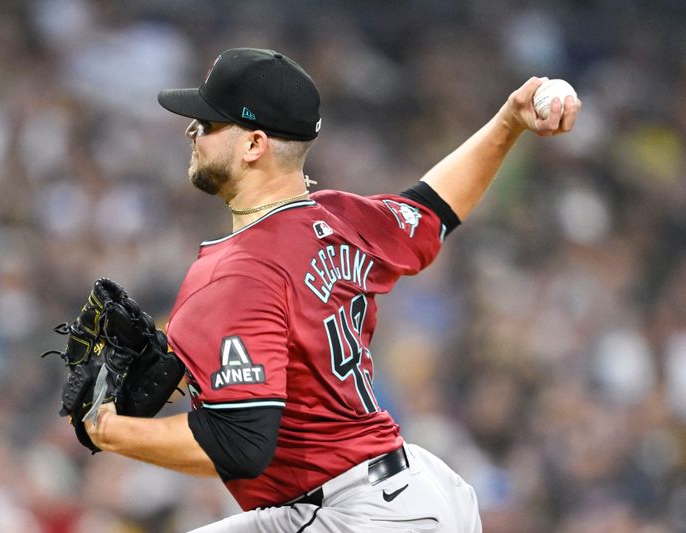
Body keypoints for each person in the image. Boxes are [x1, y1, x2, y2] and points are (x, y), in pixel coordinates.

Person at [84, 47, 580, 532]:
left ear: (254, 145)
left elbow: (240, 445)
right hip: (402, 491)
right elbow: (432, 210)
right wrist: (507, 123)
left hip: (360, 515)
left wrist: (109, 429)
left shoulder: (233, 274)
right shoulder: (338, 217)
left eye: (210, 124)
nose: (193, 131)